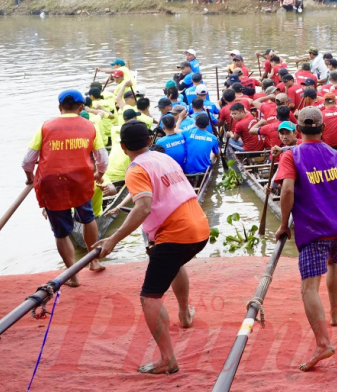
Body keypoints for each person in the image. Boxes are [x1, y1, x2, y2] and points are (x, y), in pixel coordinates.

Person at [93, 120, 210, 374]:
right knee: (173, 263)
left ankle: (167, 358)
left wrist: (113, 240)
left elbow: (143, 207)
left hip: (177, 233)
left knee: (150, 297)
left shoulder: (135, 170)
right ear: (149, 141)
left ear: (123, 148)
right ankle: (184, 314)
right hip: (199, 227)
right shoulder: (162, 157)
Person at [272, 106, 337, 371]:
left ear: (298, 130)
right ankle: (334, 313)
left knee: (308, 288)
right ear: (322, 129)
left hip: (315, 228)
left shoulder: (291, 155)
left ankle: (323, 343)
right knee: (334, 262)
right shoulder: (334, 153)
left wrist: (284, 224)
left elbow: (286, 191)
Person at [23, 89, 109, 283]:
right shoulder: (90, 126)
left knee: (61, 232)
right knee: (87, 218)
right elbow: (102, 159)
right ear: (81, 108)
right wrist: (99, 175)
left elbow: (28, 161)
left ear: (59, 107)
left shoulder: (45, 127)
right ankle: (93, 261)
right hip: (81, 180)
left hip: (52, 182)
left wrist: (30, 178)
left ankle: (72, 275)